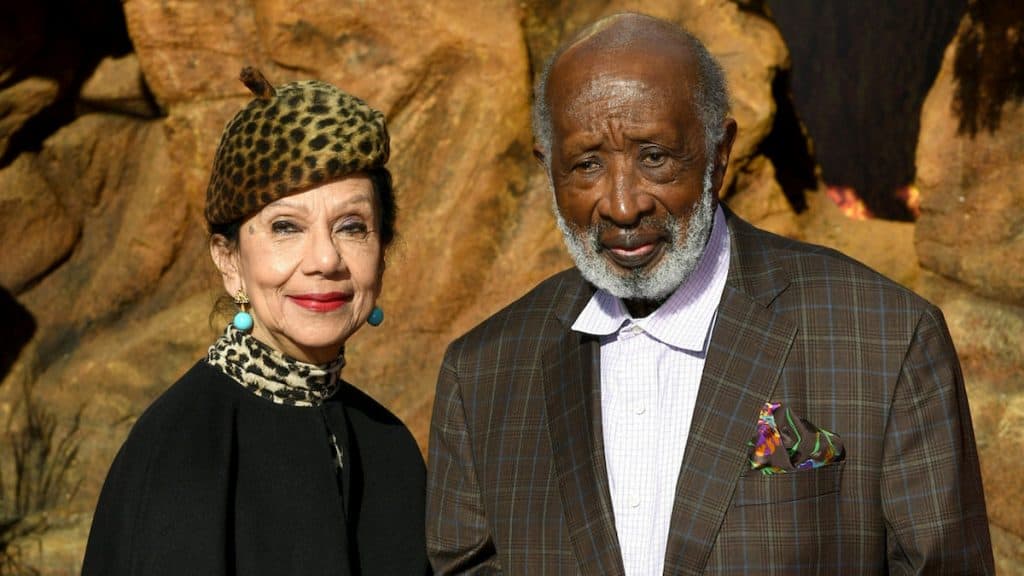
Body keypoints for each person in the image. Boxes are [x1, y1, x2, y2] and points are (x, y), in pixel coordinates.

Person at [426, 12, 993, 575]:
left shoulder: (882, 337)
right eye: (588, 165)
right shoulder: (483, 376)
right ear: (548, 168)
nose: (624, 205)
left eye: (654, 157)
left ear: (719, 152)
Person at [82, 68, 429, 575]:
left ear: (383, 251)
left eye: (351, 227)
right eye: (285, 227)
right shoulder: (183, 449)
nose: (325, 260)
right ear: (229, 261)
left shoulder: (390, 445)